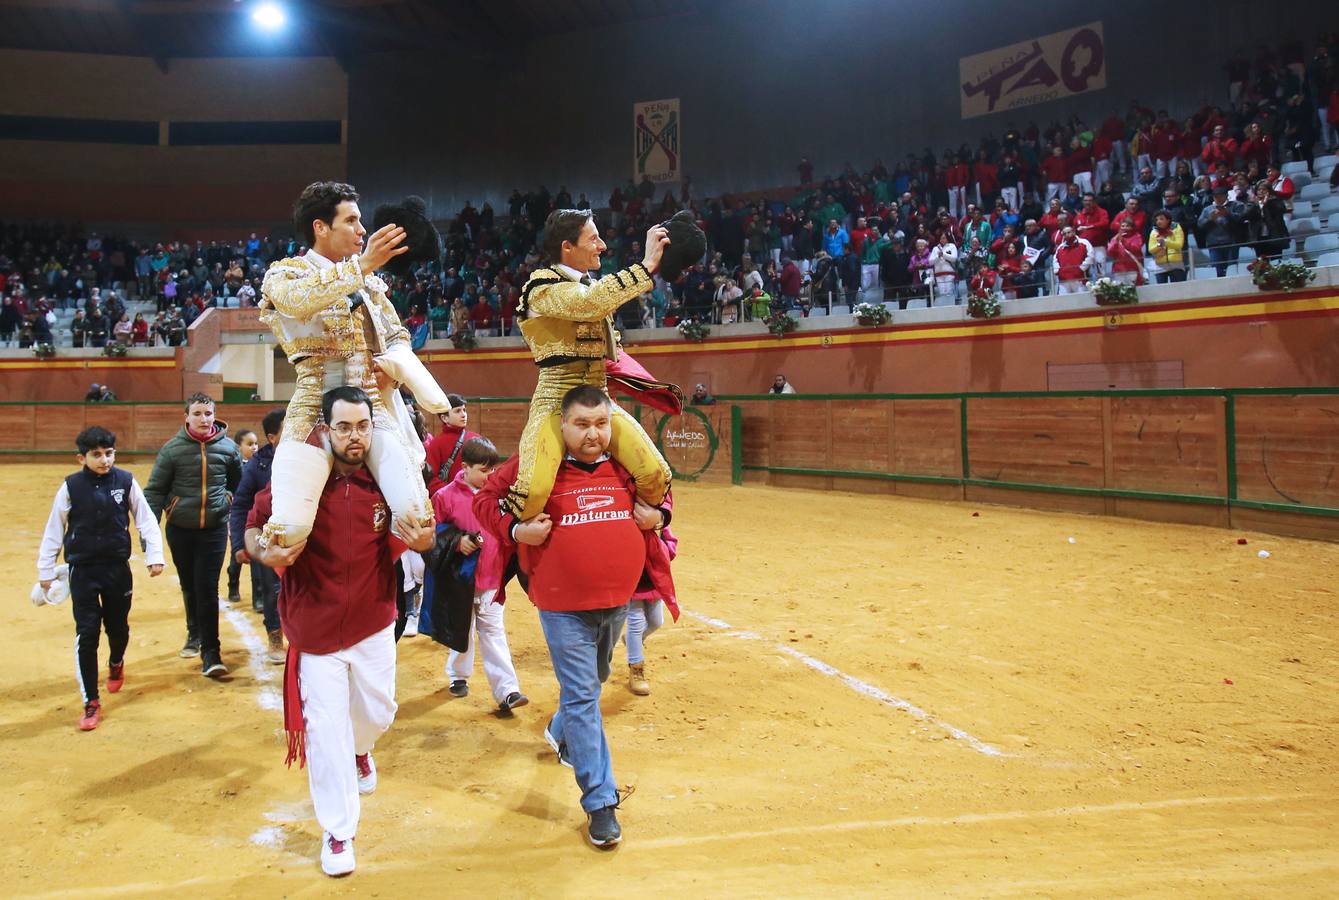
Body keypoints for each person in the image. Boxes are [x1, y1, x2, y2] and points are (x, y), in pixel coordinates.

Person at [473, 385, 677, 848]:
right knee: (585, 695)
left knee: (596, 680)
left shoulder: (627, 464)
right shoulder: (535, 464)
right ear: (562, 425)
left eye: (601, 424)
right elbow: (484, 500)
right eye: (582, 424)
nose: (593, 434)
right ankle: (600, 802)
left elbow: (664, 496)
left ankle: (559, 730)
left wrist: (659, 519)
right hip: (562, 606)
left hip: (616, 601)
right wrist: (515, 528)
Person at [247, 386, 436, 878]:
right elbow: (252, 522)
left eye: (362, 426)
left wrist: (427, 537)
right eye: (344, 427)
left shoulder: (387, 480)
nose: (354, 436)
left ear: (373, 429)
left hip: (374, 619)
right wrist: (262, 550)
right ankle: (338, 831)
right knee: (326, 731)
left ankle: (361, 750)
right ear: (326, 429)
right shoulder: (300, 482)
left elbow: (421, 527)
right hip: (313, 625)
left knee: (379, 712)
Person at [257, 181, 451, 549]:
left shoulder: (373, 286)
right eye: (352, 221)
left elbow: (397, 336)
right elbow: (299, 302)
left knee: (417, 517)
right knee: (289, 529)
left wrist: (390, 367)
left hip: (370, 407)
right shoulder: (284, 275)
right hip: (314, 407)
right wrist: (361, 267)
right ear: (320, 227)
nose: (363, 230)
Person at [507, 208, 673, 521]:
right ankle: (511, 540)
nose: (602, 246)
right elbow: (589, 302)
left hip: (599, 397)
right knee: (531, 493)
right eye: (593, 238)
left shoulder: (591, 287)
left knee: (656, 476)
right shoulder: (541, 288)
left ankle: (624, 534)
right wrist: (647, 265)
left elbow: (599, 308)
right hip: (555, 399)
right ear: (567, 247)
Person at [36, 426, 165, 731]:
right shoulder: (70, 487)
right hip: (82, 570)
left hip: (117, 569)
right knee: (87, 633)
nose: (104, 460)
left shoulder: (125, 481)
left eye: (109, 453)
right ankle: (90, 701)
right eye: (96, 455)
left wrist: (154, 555)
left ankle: (116, 661)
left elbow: (145, 520)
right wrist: (45, 571)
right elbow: (54, 529)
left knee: (118, 628)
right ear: (81, 457)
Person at [143, 392, 242, 674]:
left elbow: (240, 486)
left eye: (208, 413)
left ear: (215, 416)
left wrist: (229, 503)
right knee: (189, 585)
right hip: (180, 529)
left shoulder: (229, 449)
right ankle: (193, 632)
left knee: (207, 589)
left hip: (213, 530)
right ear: (186, 416)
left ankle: (211, 653)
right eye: (197, 413)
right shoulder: (172, 450)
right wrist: (149, 538)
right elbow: (154, 492)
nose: (203, 419)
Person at [431, 437, 527, 711]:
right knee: (463, 627)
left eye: (493, 470)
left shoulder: (500, 497)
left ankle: (507, 690)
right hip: (459, 578)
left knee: (493, 631)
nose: (491, 475)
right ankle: (458, 675)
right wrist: (456, 541)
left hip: (491, 577)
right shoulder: (445, 496)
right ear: (465, 467)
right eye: (484, 470)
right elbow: (432, 537)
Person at [230, 408, 286, 662]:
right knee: (272, 590)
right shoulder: (257, 465)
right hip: (267, 538)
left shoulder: (311, 456)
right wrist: (240, 543)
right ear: (273, 437)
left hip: (303, 537)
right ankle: (275, 635)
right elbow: (241, 504)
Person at [224, 428, 260, 604]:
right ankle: (233, 584)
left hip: (255, 517)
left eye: (256, 444)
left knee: (256, 555)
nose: (254, 447)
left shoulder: (260, 465)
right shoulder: (236, 467)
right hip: (238, 516)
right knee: (237, 554)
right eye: (249, 444)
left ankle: (258, 596)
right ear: (239, 447)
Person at [424, 394, 482, 496]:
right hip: (449, 503)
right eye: (457, 411)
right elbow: (430, 480)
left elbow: (487, 470)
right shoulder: (436, 444)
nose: (463, 414)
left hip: (475, 499)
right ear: (444, 418)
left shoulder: (476, 439)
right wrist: (455, 493)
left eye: (464, 410)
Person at [1146, 210, 1188, 283]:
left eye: (1161, 219)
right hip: (1160, 265)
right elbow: (1151, 249)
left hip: (1175, 264)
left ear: (1168, 220)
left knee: (1178, 289)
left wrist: (1165, 242)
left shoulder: (1176, 228)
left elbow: (1179, 245)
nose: (1158, 221)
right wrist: (1160, 244)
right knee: (1161, 291)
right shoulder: (1154, 231)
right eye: (1157, 220)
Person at [1052, 227, 1094, 295]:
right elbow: (1055, 260)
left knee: (1081, 300)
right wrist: (1057, 271)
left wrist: (1081, 268)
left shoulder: (1084, 242)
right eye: (1064, 234)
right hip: (1063, 281)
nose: (1066, 235)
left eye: (1068, 232)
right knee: (1064, 302)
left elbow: (1091, 256)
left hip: (1079, 279)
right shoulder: (1060, 247)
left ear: (1074, 232)